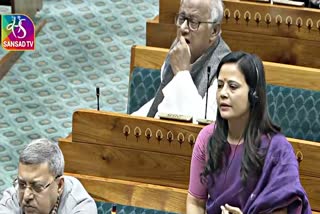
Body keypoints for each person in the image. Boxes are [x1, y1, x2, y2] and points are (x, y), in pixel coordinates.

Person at [186, 52, 312, 213]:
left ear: (253, 94)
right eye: (219, 85)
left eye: (232, 86)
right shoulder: (207, 137)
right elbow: (195, 202)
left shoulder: (278, 149)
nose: (223, 93)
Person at [132, 0, 230, 122]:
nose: (183, 28)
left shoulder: (225, 71)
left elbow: (203, 129)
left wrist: (182, 74)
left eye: (194, 22)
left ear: (214, 31)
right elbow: (165, 101)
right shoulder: (178, 49)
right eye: (182, 18)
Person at [0, 138, 97, 214]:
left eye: (37, 187)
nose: (26, 196)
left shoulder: (80, 208)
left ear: (59, 186)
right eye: (22, 184)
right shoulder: (11, 198)